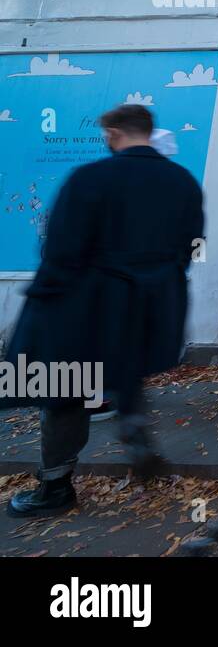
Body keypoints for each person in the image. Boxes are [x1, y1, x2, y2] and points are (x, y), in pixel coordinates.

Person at [5, 104, 205, 518]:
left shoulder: (91, 178)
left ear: (114, 133)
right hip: (149, 305)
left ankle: (55, 487)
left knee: (65, 390)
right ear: (148, 132)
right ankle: (132, 425)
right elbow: (191, 247)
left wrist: (44, 299)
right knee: (124, 370)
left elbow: (61, 248)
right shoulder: (183, 182)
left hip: (87, 305)